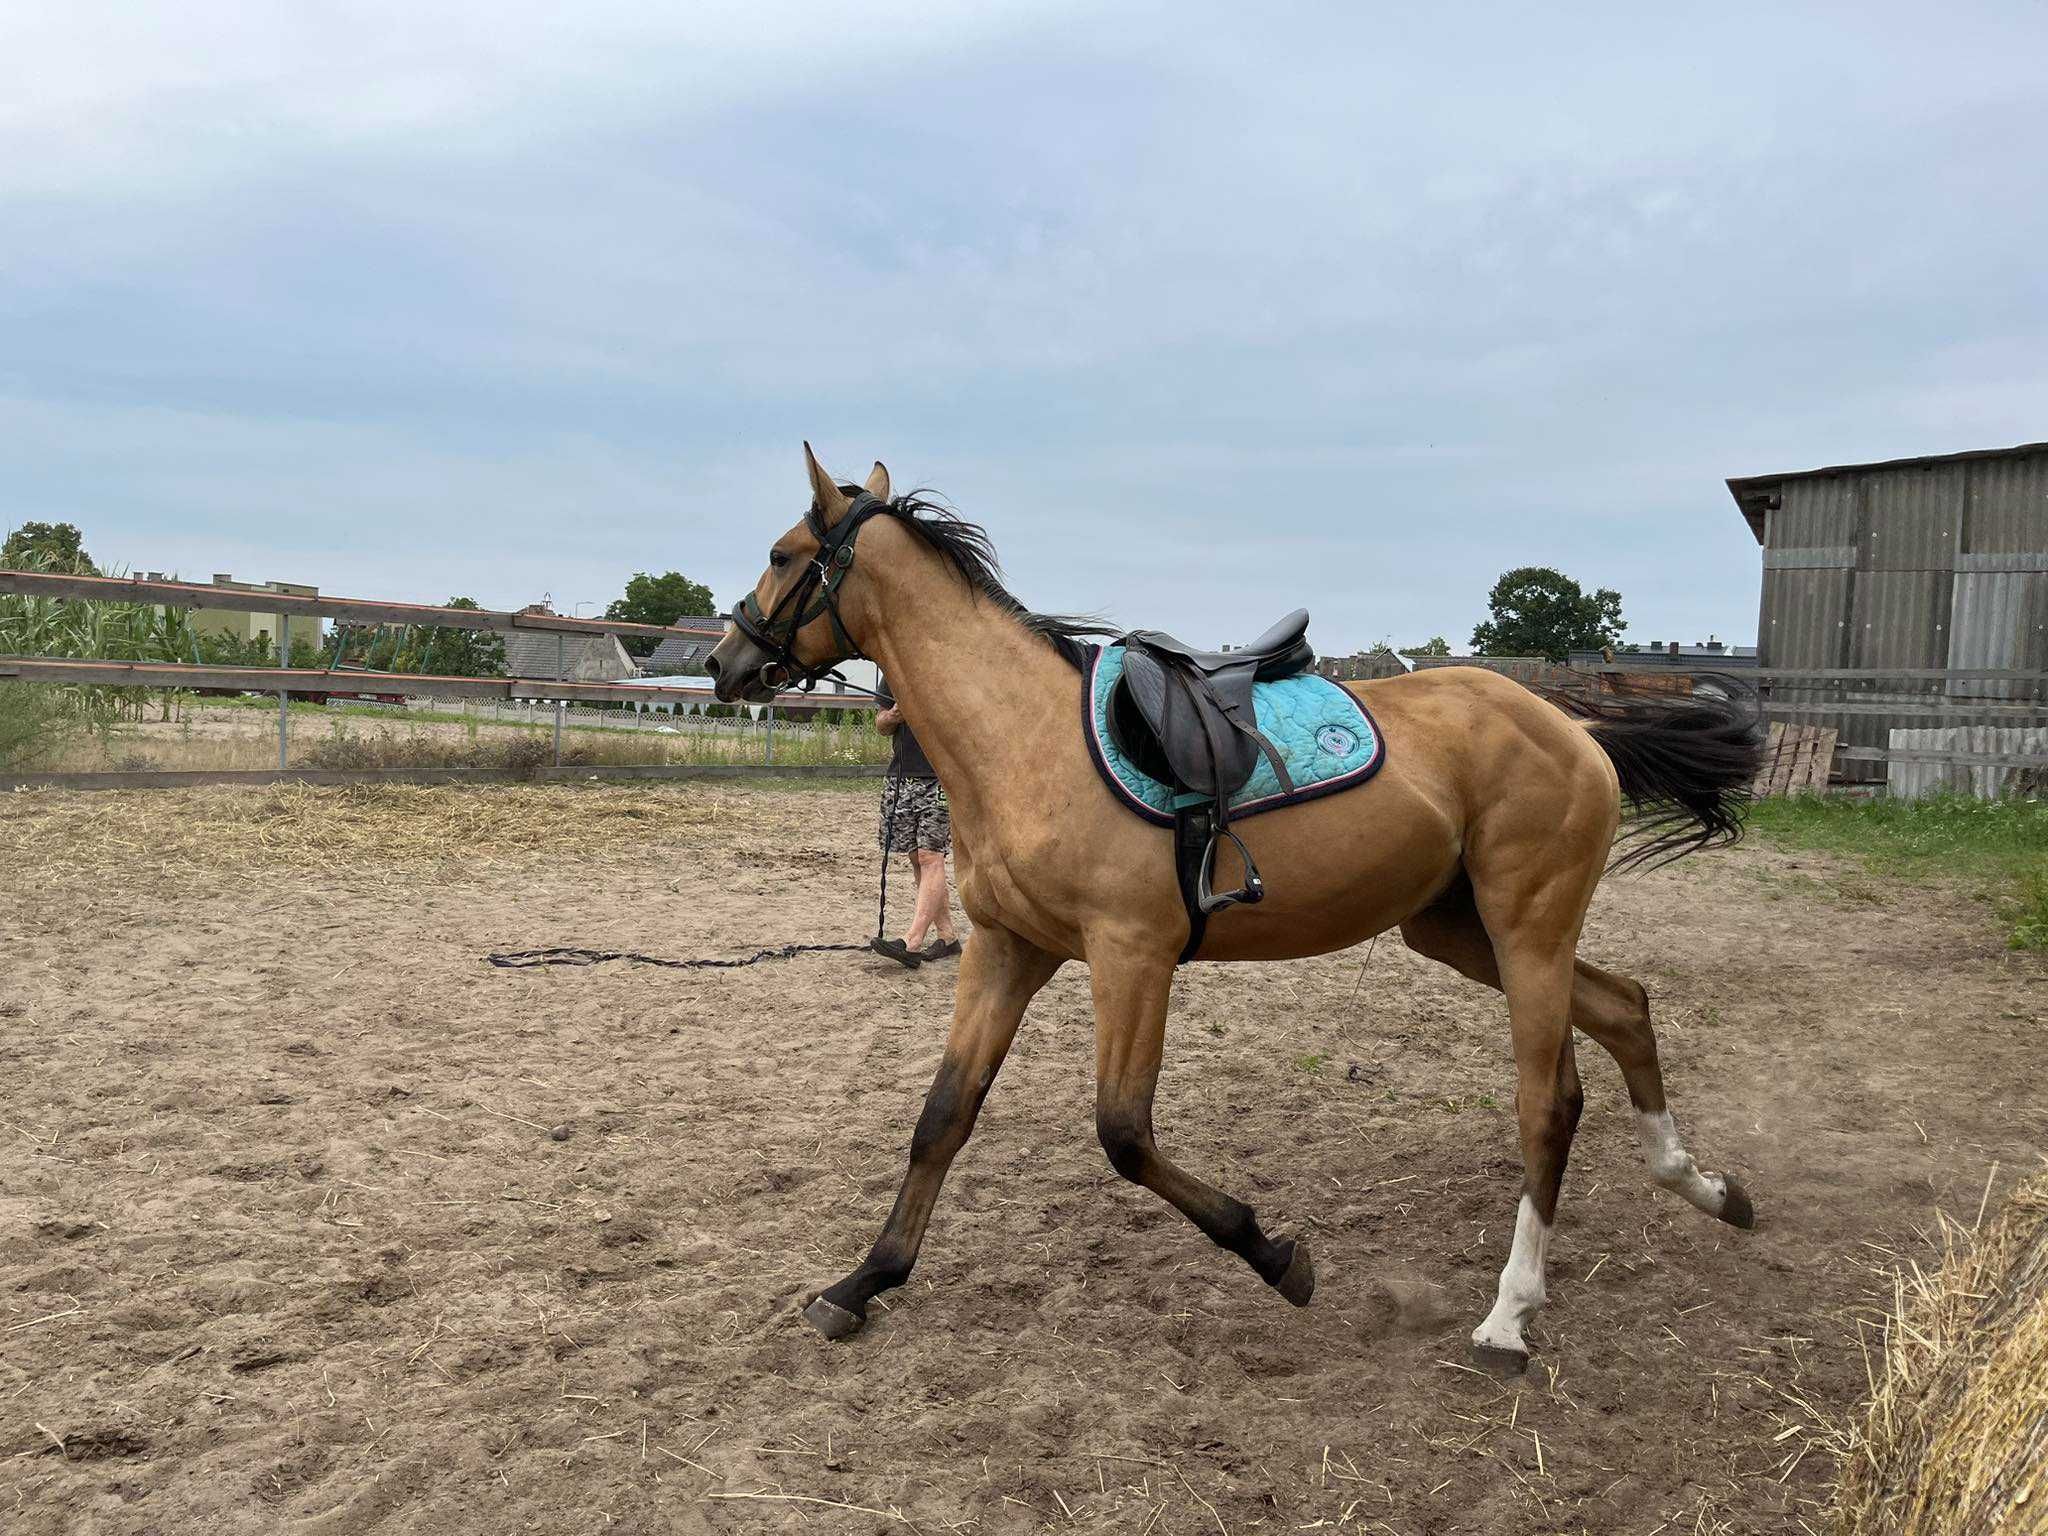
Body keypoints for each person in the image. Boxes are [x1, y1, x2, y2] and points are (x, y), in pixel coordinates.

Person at [870, 676, 961, 968]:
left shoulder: (945, 672)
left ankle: (913, 941)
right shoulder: (893, 675)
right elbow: (881, 725)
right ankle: (947, 937)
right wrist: (894, 715)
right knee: (916, 857)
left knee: (930, 856)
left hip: (939, 780)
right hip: (901, 778)